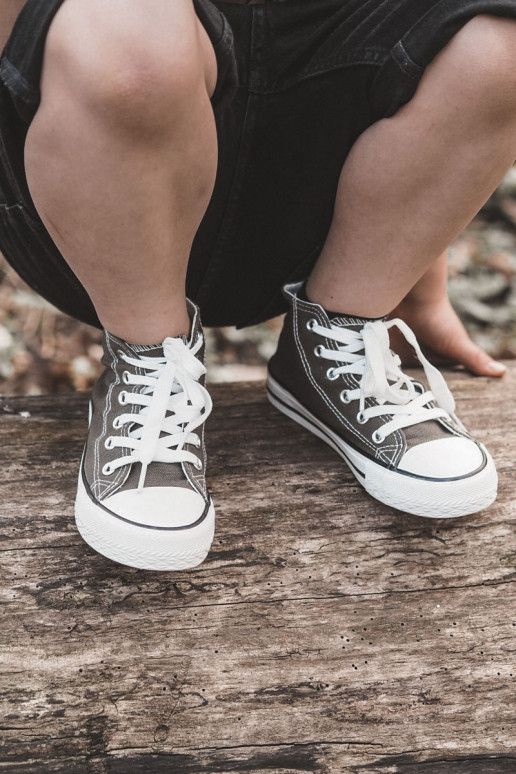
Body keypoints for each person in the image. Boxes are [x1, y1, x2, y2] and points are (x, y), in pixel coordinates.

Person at [0, 0, 515, 571]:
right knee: (127, 31)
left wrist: (414, 284)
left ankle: (332, 340)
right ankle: (147, 360)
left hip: (309, 200)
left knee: (500, 38)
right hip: (99, 202)